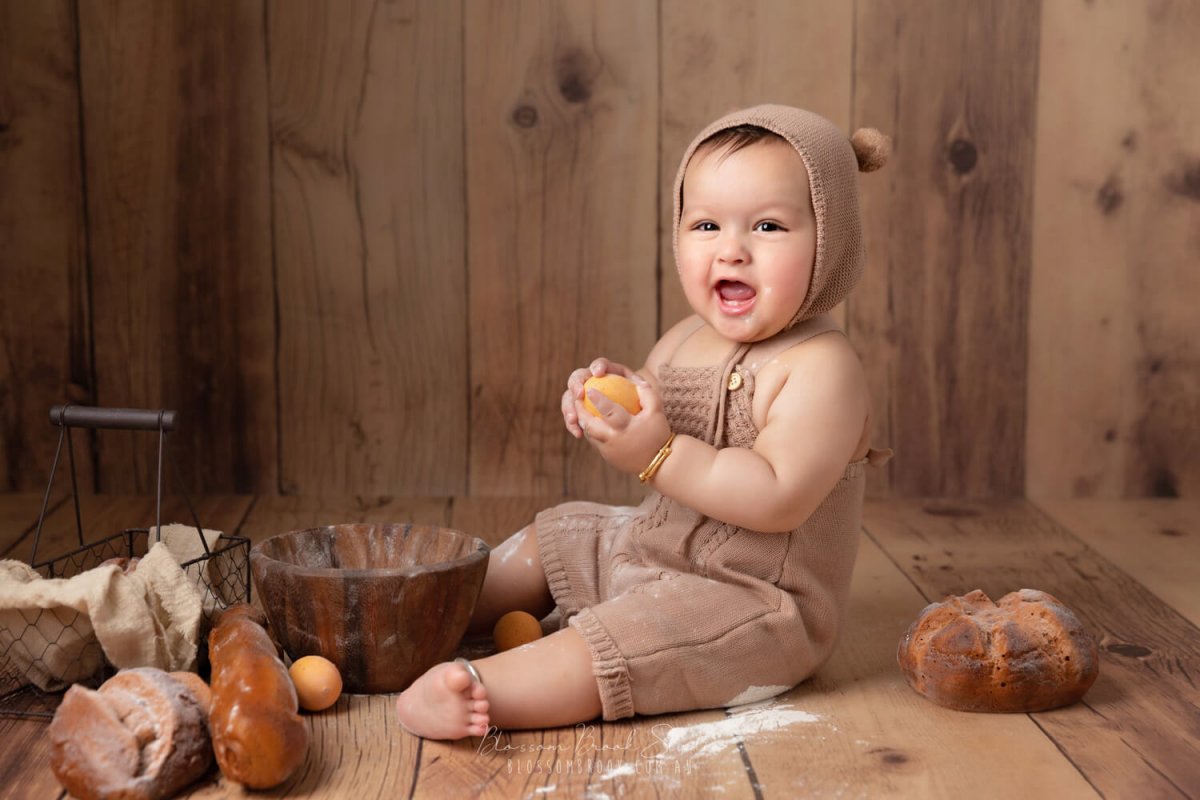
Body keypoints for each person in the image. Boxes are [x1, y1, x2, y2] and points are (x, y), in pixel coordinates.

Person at [395, 104, 891, 740]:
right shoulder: (686, 338)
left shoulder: (823, 368)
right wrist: (613, 403)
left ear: (831, 242)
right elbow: (650, 418)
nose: (731, 250)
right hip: (649, 553)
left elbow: (778, 496)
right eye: (706, 224)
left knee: (631, 639)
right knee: (562, 533)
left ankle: (487, 692)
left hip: (749, 606)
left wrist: (657, 454)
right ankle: (416, 615)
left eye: (768, 226)